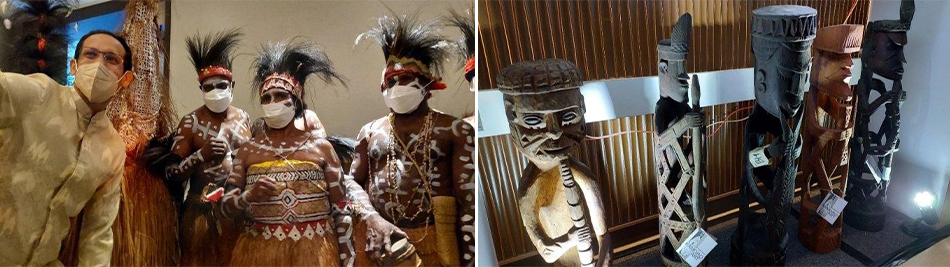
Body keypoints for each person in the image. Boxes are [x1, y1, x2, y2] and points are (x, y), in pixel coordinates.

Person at [220, 40, 403, 266]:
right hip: (259, 251)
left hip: (314, 252)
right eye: (266, 98)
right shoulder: (249, 150)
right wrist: (249, 196)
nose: (272, 103)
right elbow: (226, 206)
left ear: (295, 101)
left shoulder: (320, 148)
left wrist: (346, 260)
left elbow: (341, 209)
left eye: (280, 96)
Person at [0, 30, 132, 266]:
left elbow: (97, 234)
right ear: (74, 66)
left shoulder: (113, 149)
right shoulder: (39, 95)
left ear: (125, 80)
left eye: (111, 59)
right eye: (90, 55)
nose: (99, 64)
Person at [354, 13, 477, 266]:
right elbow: (350, 184)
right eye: (391, 81)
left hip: (433, 240)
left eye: (406, 79)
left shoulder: (453, 130)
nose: (397, 86)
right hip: (381, 242)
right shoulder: (369, 132)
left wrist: (469, 257)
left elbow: (469, 202)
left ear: (426, 85)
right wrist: (374, 221)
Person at [166, 29, 251, 266]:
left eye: (221, 85)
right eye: (208, 87)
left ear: (232, 85)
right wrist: (200, 156)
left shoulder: (244, 118)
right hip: (202, 213)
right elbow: (171, 174)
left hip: (239, 211)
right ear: (201, 89)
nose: (215, 92)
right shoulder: (190, 123)